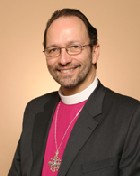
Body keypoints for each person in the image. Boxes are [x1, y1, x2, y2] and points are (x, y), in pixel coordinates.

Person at [8, 8, 140, 176]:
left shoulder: (130, 115)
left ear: (94, 52)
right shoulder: (34, 110)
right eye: (53, 50)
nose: (64, 60)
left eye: (74, 47)